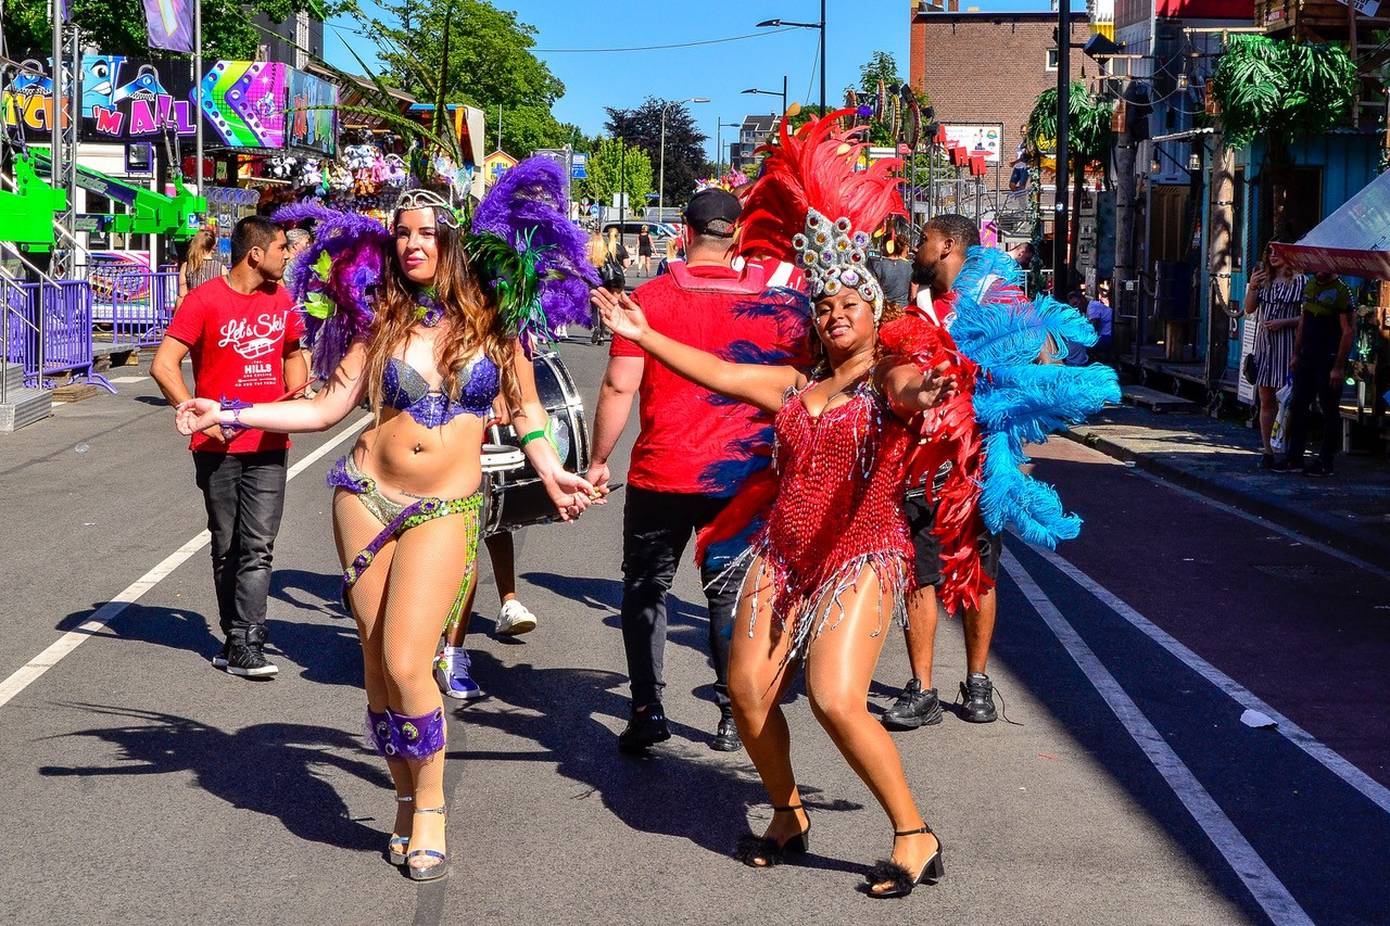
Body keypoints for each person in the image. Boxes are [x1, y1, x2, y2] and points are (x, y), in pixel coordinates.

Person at [595, 112, 985, 898]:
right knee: (745, 690)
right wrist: (645, 328)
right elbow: (714, 370)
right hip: (784, 553)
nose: (834, 314)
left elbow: (912, 390)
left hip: (863, 553)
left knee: (838, 699)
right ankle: (787, 811)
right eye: (825, 306)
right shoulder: (794, 389)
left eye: (850, 304)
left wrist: (934, 387)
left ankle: (914, 832)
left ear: (878, 314)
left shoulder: (887, 382)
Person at [174, 186, 600, 881]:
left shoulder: (496, 324)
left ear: (451, 240)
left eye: (427, 231)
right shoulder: (381, 325)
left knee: (409, 662)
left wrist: (552, 473)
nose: (412, 242)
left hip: (445, 509)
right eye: (402, 232)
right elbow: (322, 410)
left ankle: (430, 805)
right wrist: (227, 407)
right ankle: (402, 796)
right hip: (365, 496)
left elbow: (525, 414)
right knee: (375, 665)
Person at [586, 188, 804, 756]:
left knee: (646, 586)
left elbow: (618, 385)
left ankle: (646, 709)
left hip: (664, 468)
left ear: (683, 230)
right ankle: (735, 713)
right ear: (736, 234)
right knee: (730, 594)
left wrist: (597, 460)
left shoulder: (650, 299)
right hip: (742, 475)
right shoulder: (777, 307)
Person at [151, 217, 307, 678]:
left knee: (258, 545)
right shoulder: (204, 300)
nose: (288, 254)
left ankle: (246, 639)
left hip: (268, 441)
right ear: (255, 254)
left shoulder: (283, 299)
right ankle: (234, 635)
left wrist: (296, 390)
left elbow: (294, 351)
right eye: (281, 247)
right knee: (228, 544)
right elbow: (164, 364)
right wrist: (191, 410)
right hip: (217, 446)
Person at [881, 213, 1005, 729]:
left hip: (979, 466)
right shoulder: (915, 310)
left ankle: (977, 682)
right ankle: (922, 687)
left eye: (924, 240)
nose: (916, 248)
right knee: (919, 574)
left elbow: (1038, 361)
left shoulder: (996, 301)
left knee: (980, 573)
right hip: (920, 465)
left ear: (949, 245)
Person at [1274, 270, 1354, 477]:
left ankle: (1325, 461)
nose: (1319, 272)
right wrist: (1295, 353)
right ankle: (1294, 457)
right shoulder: (1309, 286)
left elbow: (1347, 331)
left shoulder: (1341, 291)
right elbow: (1303, 321)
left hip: (1328, 356)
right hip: (1307, 355)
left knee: (1329, 409)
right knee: (1299, 405)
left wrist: (1338, 366)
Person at [1243, 242, 1304, 467]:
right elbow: (1249, 309)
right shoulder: (1262, 279)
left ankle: (1288, 450)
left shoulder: (1300, 282)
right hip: (1265, 347)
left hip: (1288, 345)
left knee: (1288, 400)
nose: (1273, 256)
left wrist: (1284, 322)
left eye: (1278, 252)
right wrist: (1252, 287)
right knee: (1266, 399)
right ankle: (1267, 450)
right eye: (1269, 252)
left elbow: (1306, 318)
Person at [175, 229, 226, 309]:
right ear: (213, 246)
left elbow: (182, 297)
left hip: (193, 310)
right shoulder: (221, 269)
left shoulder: (187, 266)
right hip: (213, 311)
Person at [1086, 282, 1113, 355]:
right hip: (1106, 334)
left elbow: (1094, 327)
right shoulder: (1092, 306)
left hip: (1107, 336)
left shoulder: (1092, 307)